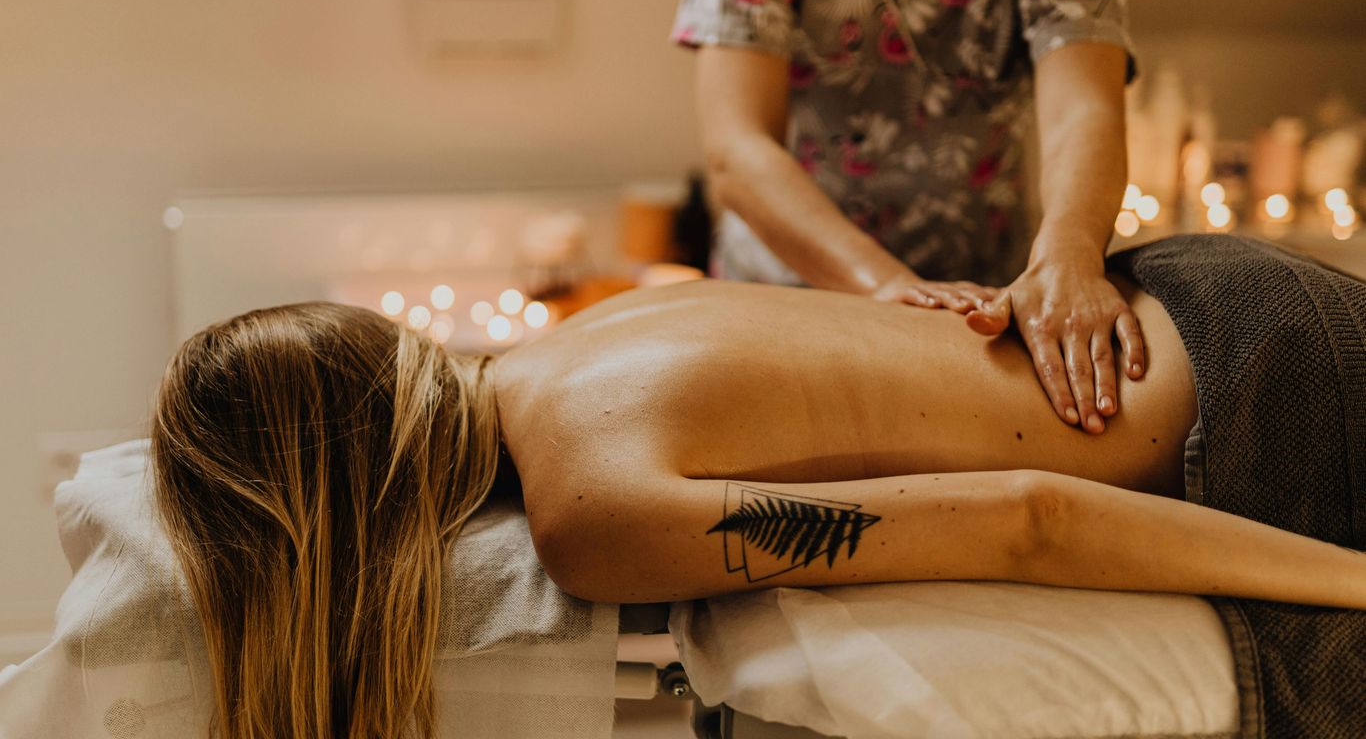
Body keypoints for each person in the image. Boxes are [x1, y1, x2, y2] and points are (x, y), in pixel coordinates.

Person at [152, 236, 1366, 738]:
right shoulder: (601, 324)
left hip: (1269, 410)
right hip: (1203, 295)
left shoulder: (590, 512)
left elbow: (1027, 516)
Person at [674, 0, 1142, 435]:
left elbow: (1083, 112)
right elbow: (737, 148)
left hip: (982, 309)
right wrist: (886, 285)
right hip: (784, 299)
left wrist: (1070, 258)